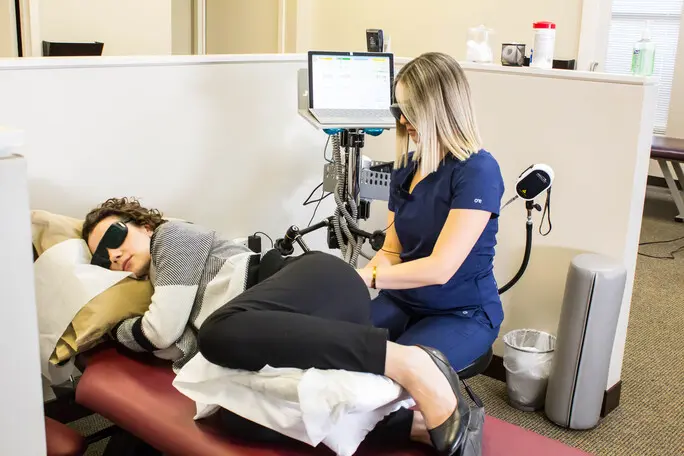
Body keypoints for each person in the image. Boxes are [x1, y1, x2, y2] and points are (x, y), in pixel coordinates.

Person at [82, 197, 470, 455]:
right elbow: (175, 348)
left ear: (144, 225)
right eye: (102, 258)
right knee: (237, 417)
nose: (113, 254)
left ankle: (411, 362)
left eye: (116, 236)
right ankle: (407, 424)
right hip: (289, 336)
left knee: (218, 334)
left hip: (321, 284)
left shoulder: (172, 236)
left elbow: (160, 333)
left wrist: (115, 329)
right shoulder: (155, 287)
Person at [357, 52, 505, 372]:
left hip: (461, 313)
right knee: (342, 344)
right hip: (402, 299)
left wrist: (368, 277)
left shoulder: (478, 171)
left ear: (439, 110)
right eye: (398, 110)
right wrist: (353, 283)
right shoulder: (406, 168)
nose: (402, 121)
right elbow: (391, 251)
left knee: (401, 371)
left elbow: (440, 269)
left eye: (410, 111)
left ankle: (446, 405)